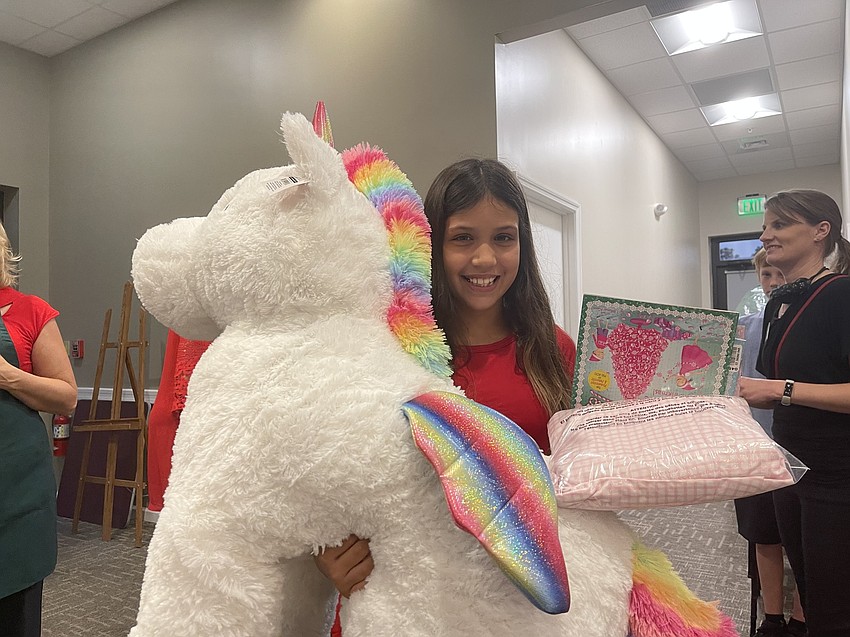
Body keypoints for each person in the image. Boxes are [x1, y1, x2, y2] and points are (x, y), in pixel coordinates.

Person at [314, 158, 576, 629]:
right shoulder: (392, 347)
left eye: (504, 237)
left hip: (514, 605)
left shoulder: (555, 350)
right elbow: (336, 461)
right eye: (462, 238)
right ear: (432, 245)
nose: (485, 259)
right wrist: (326, 546)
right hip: (405, 598)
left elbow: (576, 479)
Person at [738, 189, 850, 637]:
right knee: (807, 589)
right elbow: (775, 391)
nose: (766, 235)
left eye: (780, 225)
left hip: (835, 475)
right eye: (765, 226)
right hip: (788, 468)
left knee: (834, 607)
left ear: (821, 231)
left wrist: (778, 390)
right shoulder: (778, 304)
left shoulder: (841, 295)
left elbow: (782, 388)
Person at [0, 222, 77, 636]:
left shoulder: (30, 311)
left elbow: (66, 397)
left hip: (16, 491)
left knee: (15, 609)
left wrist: (8, 376)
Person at [733, 248, 806, 637]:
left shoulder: (812, 326)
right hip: (756, 448)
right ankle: (773, 618)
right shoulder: (746, 329)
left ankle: (801, 619)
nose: (775, 283)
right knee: (764, 534)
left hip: (803, 448)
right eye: (767, 276)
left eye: (782, 275)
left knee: (805, 541)